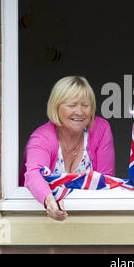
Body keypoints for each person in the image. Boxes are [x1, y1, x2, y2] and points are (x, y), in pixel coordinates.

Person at [19, 76, 115, 221]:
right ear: (56, 107)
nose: (80, 111)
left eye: (85, 105)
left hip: (88, 217)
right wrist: (50, 201)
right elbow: (33, 175)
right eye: (72, 105)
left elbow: (105, 180)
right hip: (36, 216)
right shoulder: (41, 137)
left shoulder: (100, 128)